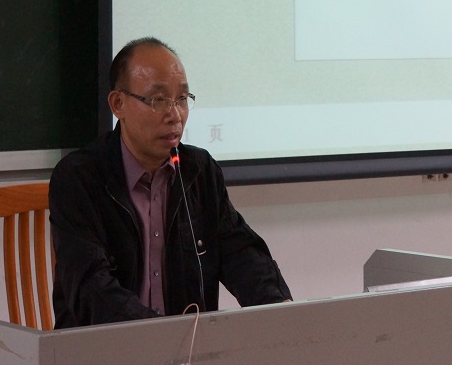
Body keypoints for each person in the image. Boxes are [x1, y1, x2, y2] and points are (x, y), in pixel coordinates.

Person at [49, 36, 291, 327]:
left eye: (182, 100)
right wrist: (159, 335)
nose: (175, 115)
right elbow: (91, 288)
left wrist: (278, 306)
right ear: (118, 104)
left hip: (187, 345)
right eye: (158, 100)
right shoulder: (79, 178)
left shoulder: (198, 171)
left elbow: (240, 252)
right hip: (106, 346)